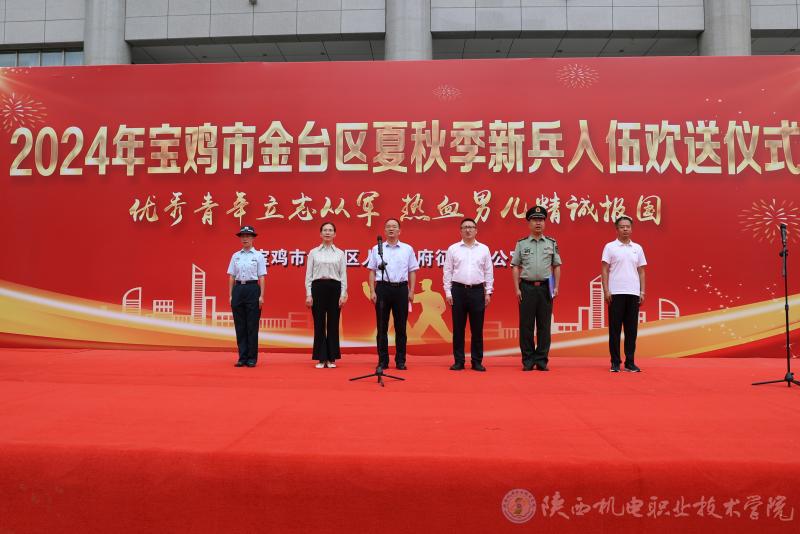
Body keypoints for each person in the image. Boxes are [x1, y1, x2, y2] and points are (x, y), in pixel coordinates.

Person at [511, 206, 562, 372]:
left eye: (541, 220)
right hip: (526, 287)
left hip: (546, 288)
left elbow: (556, 266)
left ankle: (541, 360)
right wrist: (517, 289)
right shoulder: (521, 243)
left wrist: (556, 287)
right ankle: (527, 360)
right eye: (535, 220)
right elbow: (515, 266)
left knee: (544, 326)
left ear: (544, 223)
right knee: (526, 326)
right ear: (529, 223)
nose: (538, 223)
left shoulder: (551, 243)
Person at [367, 218, 420, 370]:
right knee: (382, 327)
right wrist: (372, 290)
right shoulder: (377, 248)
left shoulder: (407, 249)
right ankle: (383, 360)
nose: (391, 229)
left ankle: (400, 360)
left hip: (401, 289)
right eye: (388, 226)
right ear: (385, 231)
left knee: (401, 327)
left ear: (399, 231)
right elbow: (372, 271)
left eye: (394, 226)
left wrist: (411, 291)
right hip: (382, 288)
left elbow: (412, 271)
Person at [443, 218, 494, 371]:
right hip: (458, 291)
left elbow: (488, 271)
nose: (468, 230)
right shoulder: (453, 249)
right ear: (460, 231)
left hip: (477, 291)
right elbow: (447, 271)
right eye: (465, 227)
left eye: (471, 227)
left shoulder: (484, 249)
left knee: (477, 329)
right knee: (458, 329)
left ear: (476, 230)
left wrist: (488, 292)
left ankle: (477, 361)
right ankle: (459, 361)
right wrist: (448, 292)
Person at [601, 215, 647, 373]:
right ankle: (615, 362)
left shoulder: (637, 248)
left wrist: (642, 291)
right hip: (616, 293)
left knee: (631, 330)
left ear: (631, 229)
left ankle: (630, 362)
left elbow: (641, 271)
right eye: (622, 227)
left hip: (633, 293)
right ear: (617, 229)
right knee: (615, 330)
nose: (625, 229)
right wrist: (606, 290)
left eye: (628, 226)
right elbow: (604, 270)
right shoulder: (610, 247)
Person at [305, 222, 348, 369]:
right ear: (320, 233)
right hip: (318, 287)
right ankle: (321, 358)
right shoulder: (313, 252)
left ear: (335, 234)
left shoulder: (340, 253)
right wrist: (308, 294)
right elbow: (308, 276)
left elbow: (343, 275)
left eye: (330, 230)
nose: (327, 232)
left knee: (333, 324)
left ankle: (331, 358)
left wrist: (343, 294)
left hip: (335, 288)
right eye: (325, 230)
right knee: (319, 323)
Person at [227, 225, 267, 367]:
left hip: (252, 289)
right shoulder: (235, 256)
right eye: (243, 236)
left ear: (252, 238)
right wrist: (231, 295)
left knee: (252, 325)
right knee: (240, 325)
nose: (245, 238)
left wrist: (261, 296)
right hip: (238, 289)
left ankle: (251, 358)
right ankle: (242, 357)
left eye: (248, 236)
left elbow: (262, 277)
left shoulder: (258, 256)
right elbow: (231, 276)